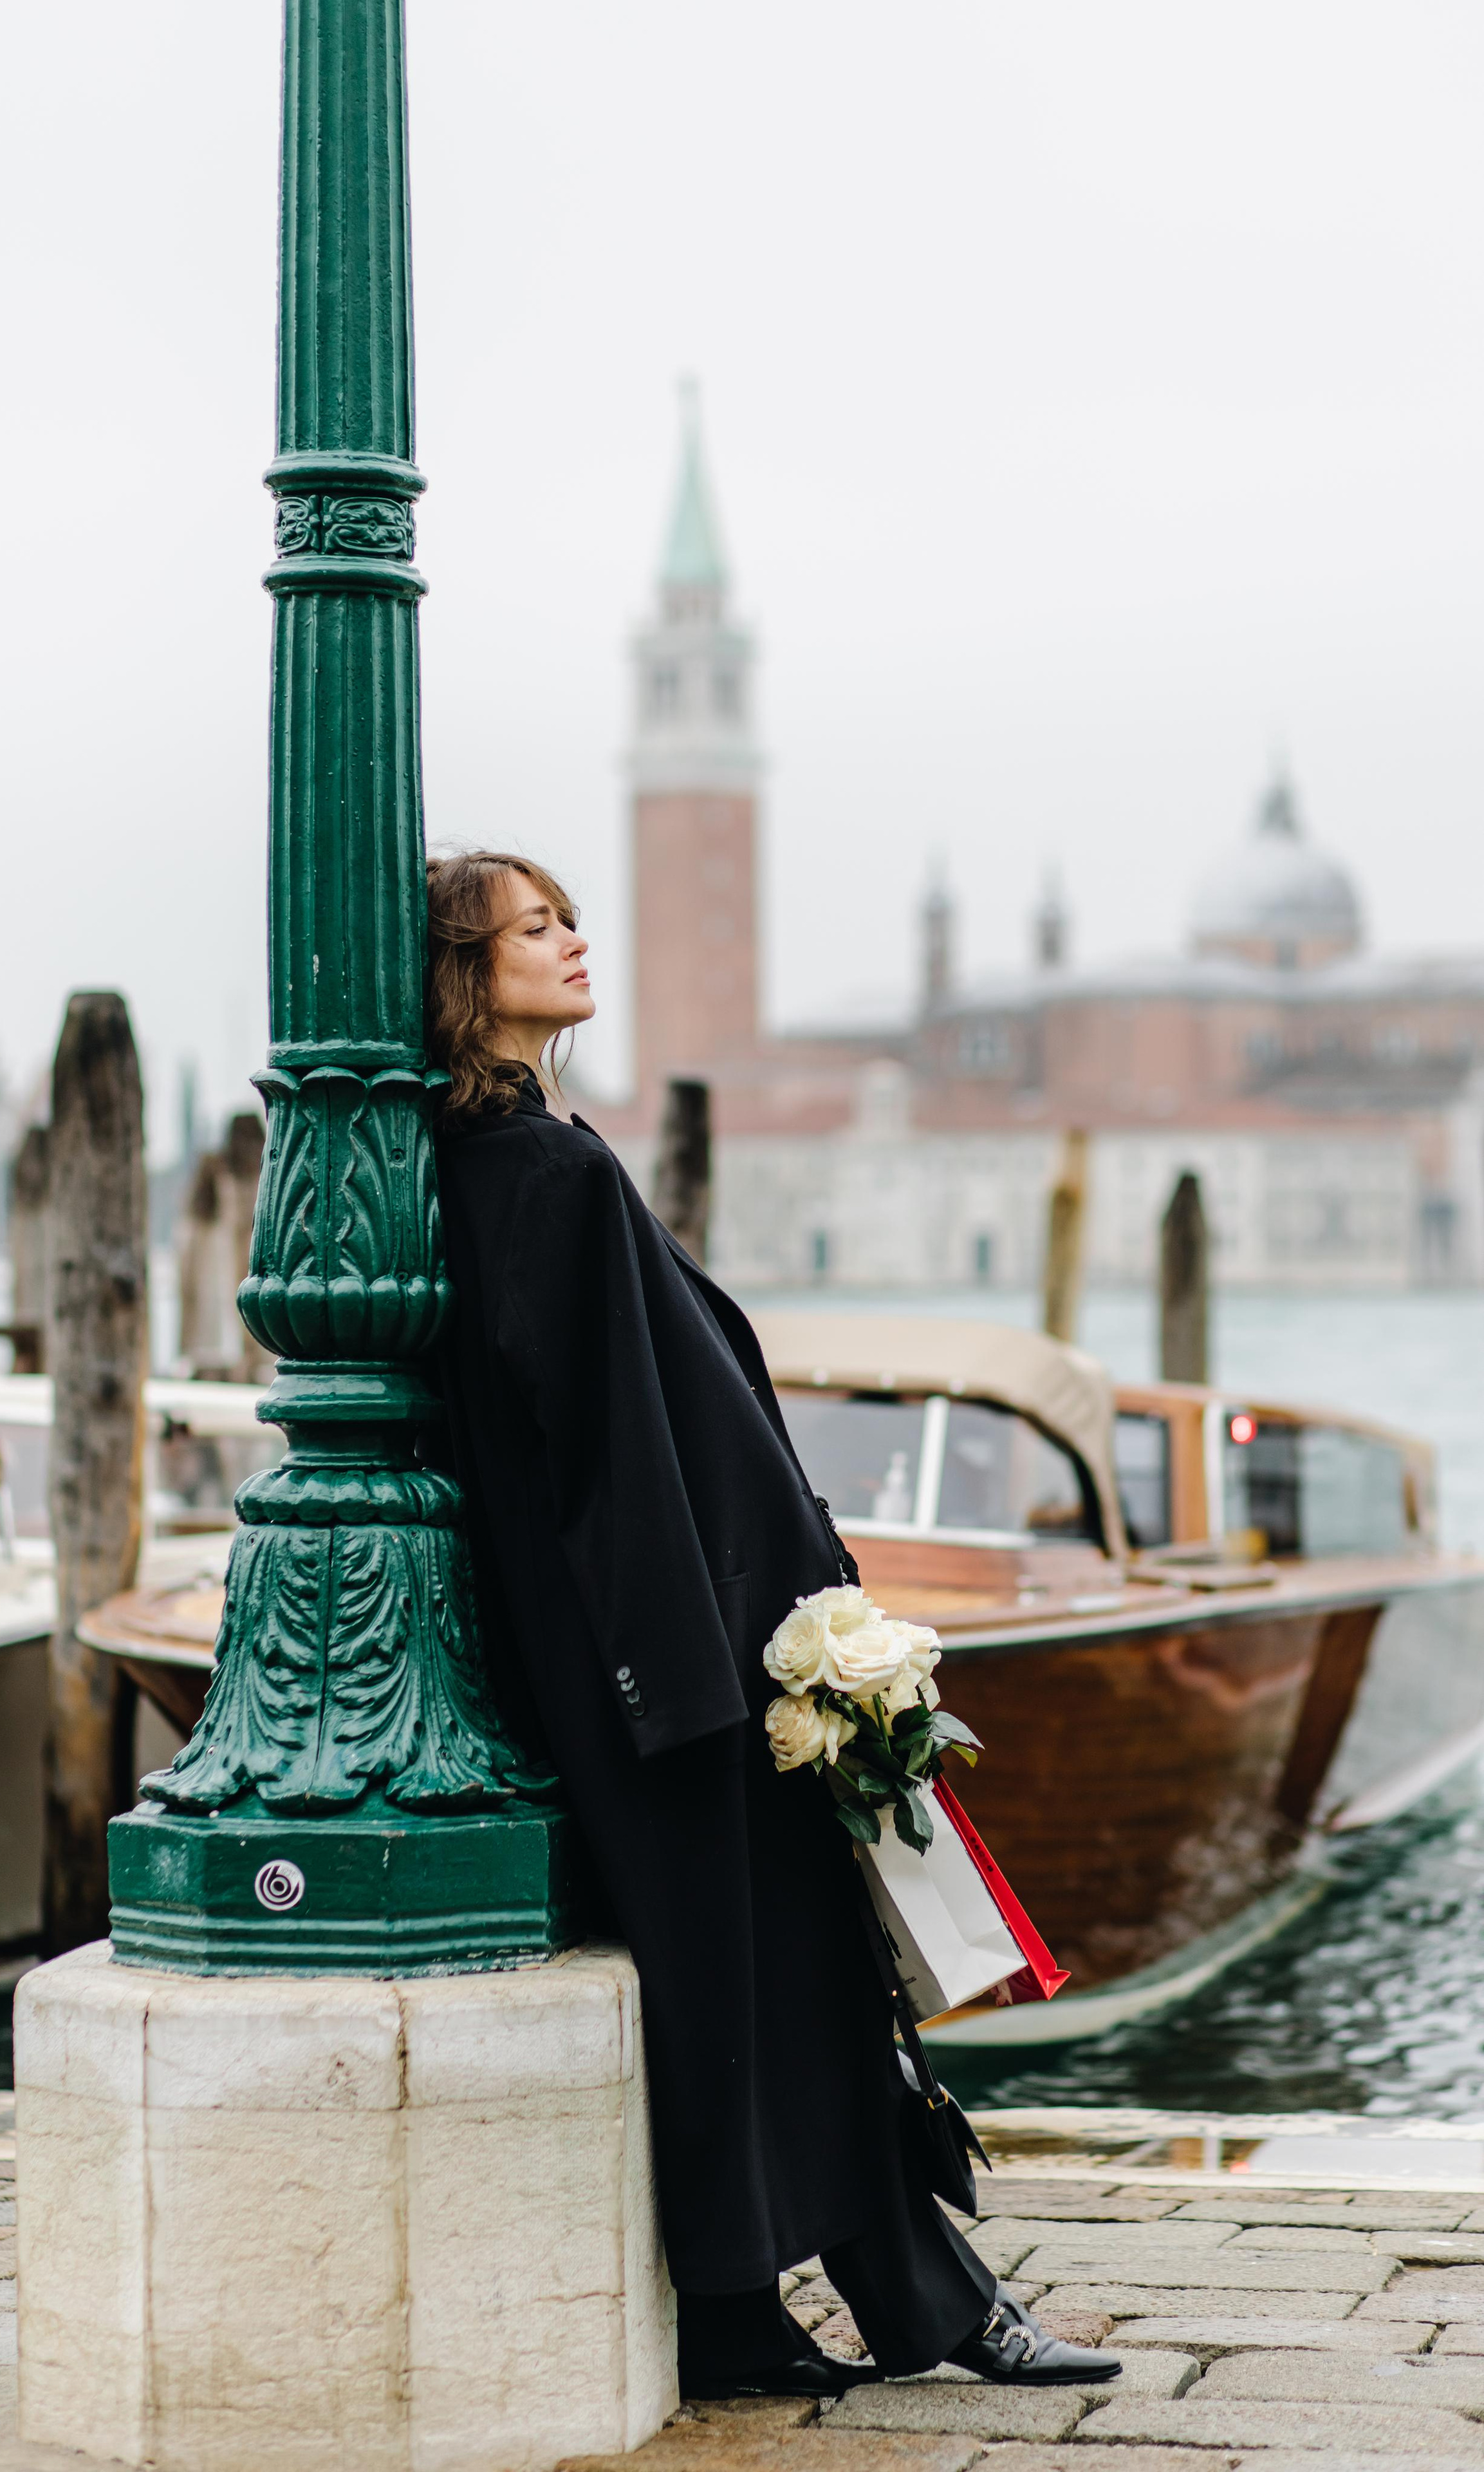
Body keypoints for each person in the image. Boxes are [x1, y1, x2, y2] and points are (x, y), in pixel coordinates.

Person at [427, 848, 1122, 2401]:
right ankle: (917, 2309)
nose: (574, 939)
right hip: (676, 1664)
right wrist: (690, 1673)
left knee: (746, 1981)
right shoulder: (539, 1173)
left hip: (664, 1651)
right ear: (468, 976)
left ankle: (761, 2313)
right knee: (797, 1969)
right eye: (534, 929)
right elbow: (604, 1445)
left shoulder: (520, 1157)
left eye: (567, 915)